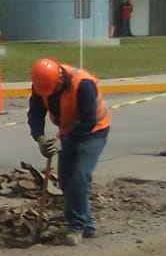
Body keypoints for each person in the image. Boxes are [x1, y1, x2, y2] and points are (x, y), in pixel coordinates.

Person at [27, 58, 111, 245]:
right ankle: (86, 224)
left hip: (93, 132)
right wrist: (40, 138)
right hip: (67, 133)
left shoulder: (83, 84)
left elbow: (88, 121)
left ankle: (77, 226)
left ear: (59, 78)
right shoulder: (41, 87)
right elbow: (35, 115)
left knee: (80, 176)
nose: (51, 93)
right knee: (65, 180)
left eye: (53, 88)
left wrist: (62, 142)